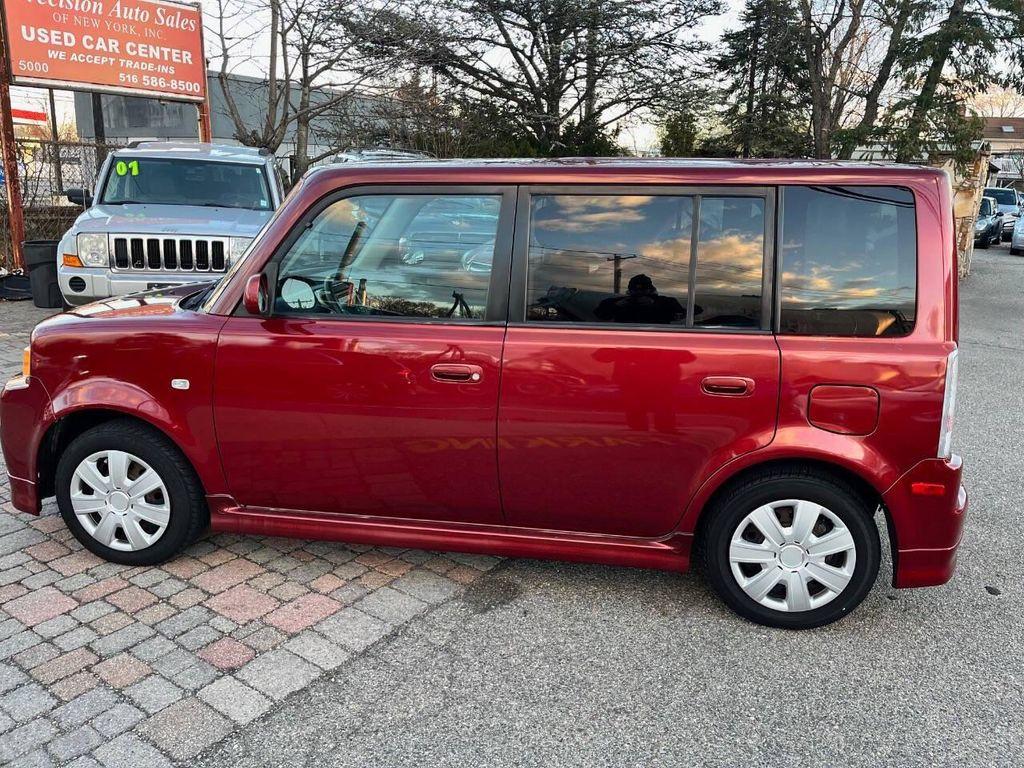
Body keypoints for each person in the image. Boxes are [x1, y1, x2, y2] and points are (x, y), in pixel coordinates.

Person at [594, 274, 685, 324]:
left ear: (650, 290)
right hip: (624, 340)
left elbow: (680, 316)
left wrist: (655, 305)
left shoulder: (667, 302)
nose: (639, 293)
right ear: (630, 290)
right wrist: (617, 306)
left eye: (643, 290)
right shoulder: (614, 302)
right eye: (635, 290)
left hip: (657, 340)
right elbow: (600, 315)